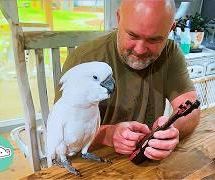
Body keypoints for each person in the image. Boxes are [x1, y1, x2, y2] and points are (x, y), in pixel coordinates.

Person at [54, 0, 200, 161]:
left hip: (143, 163)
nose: (139, 50)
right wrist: (106, 135)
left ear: (170, 29)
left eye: (154, 40)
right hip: (89, 164)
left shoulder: (171, 54)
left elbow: (190, 108)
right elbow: (58, 131)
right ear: (118, 18)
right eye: (132, 35)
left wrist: (171, 129)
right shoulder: (83, 60)